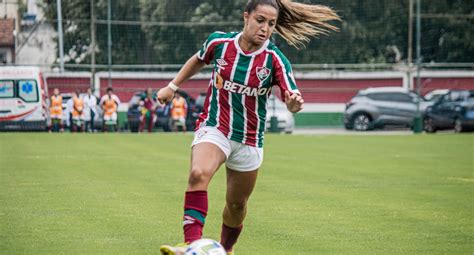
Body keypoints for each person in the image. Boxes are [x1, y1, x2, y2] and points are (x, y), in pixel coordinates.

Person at [158, 0, 339, 254]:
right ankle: (191, 246)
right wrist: (173, 86)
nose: (265, 28)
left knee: (236, 206)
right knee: (198, 174)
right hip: (215, 127)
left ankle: (227, 249)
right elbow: (198, 59)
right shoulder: (219, 44)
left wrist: (294, 104)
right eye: (260, 20)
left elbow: (292, 98)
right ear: (246, 17)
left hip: (250, 140)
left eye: (271, 24)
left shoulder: (275, 60)